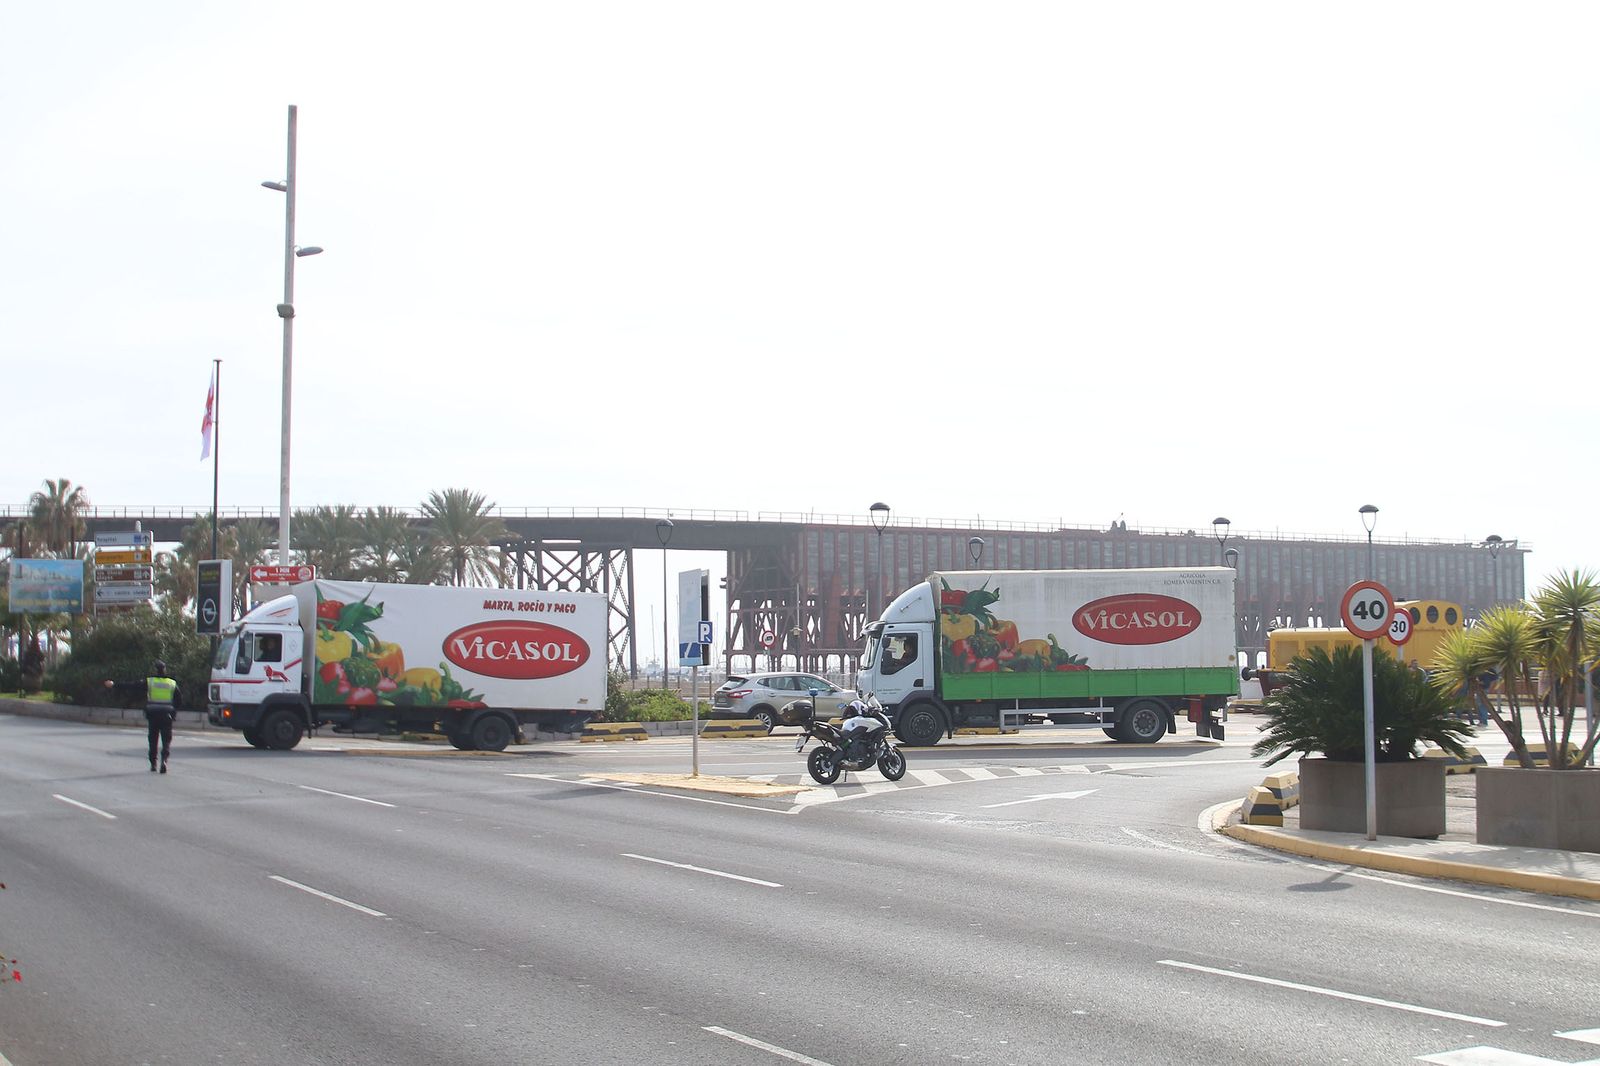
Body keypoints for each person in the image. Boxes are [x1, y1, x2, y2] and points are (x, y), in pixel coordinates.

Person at [105, 660, 181, 773]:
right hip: (167, 715)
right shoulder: (172, 683)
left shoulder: (150, 682)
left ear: (155, 670)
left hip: (153, 714)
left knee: (153, 739)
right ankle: (164, 760)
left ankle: (153, 764)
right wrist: (173, 712)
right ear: (165, 670)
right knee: (166, 740)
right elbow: (179, 700)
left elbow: (132, 686)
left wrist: (115, 684)